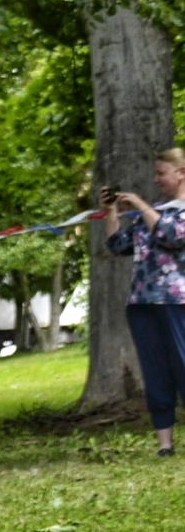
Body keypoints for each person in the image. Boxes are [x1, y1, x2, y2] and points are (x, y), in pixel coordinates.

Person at [104, 149, 185, 456]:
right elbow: (118, 245)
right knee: (155, 372)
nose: (156, 179)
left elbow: (171, 236)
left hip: (177, 302)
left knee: (184, 366)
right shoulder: (152, 213)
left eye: (161, 173)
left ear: (182, 173)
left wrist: (138, 203)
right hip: (142, 304)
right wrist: (111, 211)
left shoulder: (175, 213)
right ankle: (165, 444)